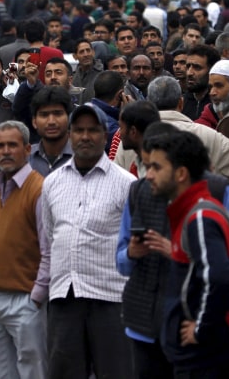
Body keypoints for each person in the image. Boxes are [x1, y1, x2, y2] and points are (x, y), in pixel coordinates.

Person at [42, 103, 135, 378]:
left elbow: (132, 243)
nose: (85, 136)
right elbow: (49, 237)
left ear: (105, 136)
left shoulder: (126, 184)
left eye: (92, 130)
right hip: (64, 297)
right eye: (79, 130)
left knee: (116, 373)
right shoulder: (53, 182)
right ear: (70, 134)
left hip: (110, 299)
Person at [144, 130, 229, 378]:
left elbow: (219, 278)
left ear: (181, 173)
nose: (149, 175)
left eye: (156, 167)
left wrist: (200, 329)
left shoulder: (200, 218)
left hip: (202, 360)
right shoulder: (194, 213)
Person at [0, 121, 49, 379]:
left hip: (26, 300)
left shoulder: (39, 189)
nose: (6, 151)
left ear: (27, 149)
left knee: (33, 373)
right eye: (0, 146)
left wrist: (37, 295)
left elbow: (48, 249)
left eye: (12, 145)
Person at [29, 86, 74, 177]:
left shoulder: (83, 157)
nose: (51, 121)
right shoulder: (24, 159)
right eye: (44, 115)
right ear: (34, 122)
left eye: (58, 114)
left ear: (69, 118)